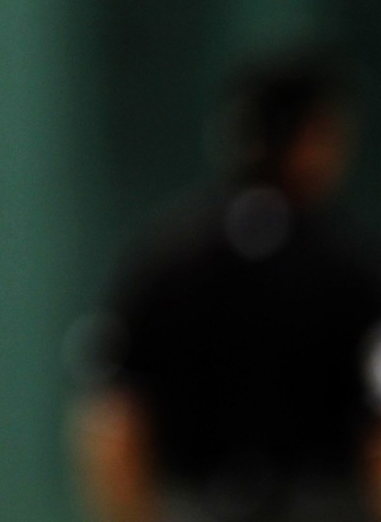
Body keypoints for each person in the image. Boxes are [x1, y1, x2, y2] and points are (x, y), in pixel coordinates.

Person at [78, 54, 381, 522]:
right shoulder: (347, 264)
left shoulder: (166, 258)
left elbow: (113, 422)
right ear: (309, 138)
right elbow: (374, 435)